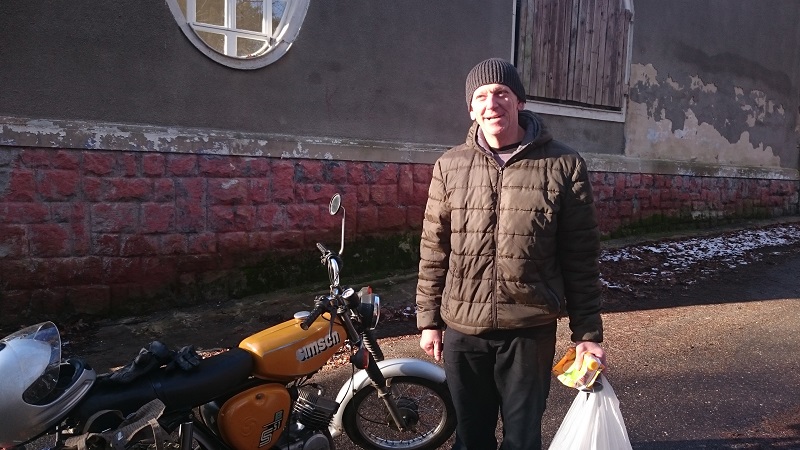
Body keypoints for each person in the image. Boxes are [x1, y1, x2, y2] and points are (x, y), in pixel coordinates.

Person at [416, 58, 606, 450]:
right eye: (481, 96)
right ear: (471, 109)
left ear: (519, 101)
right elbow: (434, 249)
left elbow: (580, 256)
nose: (492, 104)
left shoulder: (564, 165)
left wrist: (586, 333)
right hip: (464, 330)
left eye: (502, 93)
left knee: (522, 439)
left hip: (529, 330)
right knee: (471, 438)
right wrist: (429, 321)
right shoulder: (450, 166)